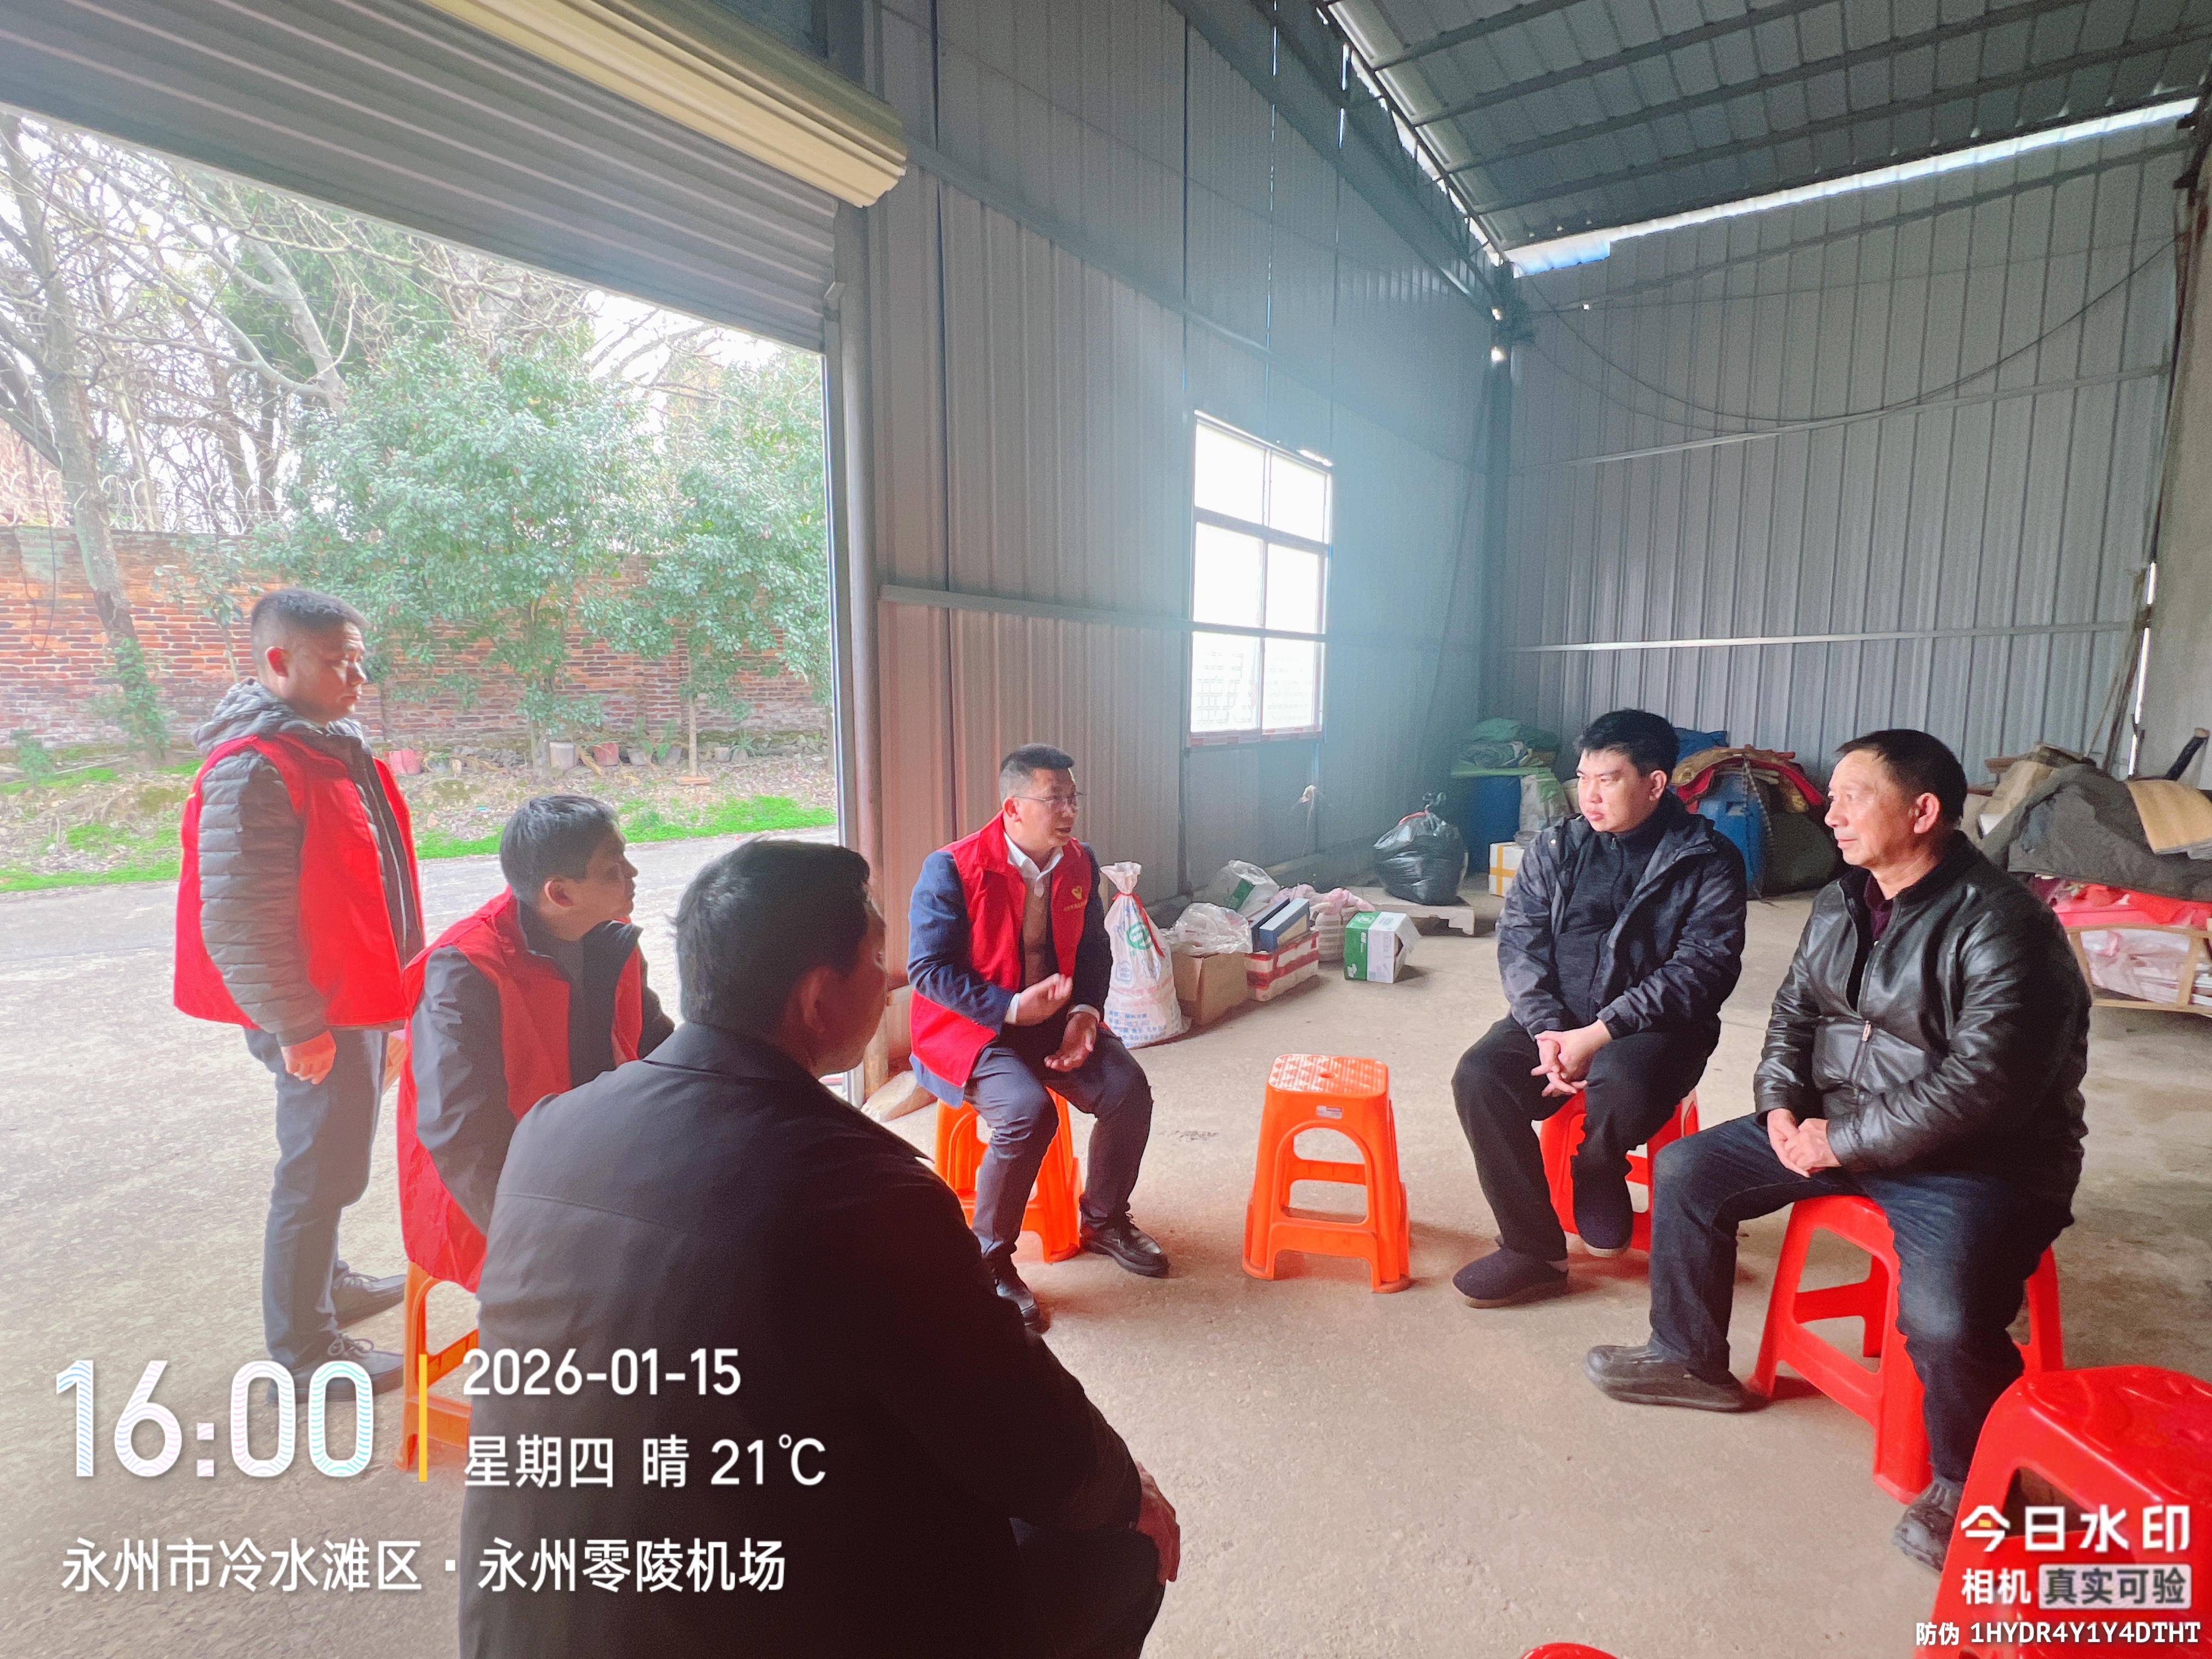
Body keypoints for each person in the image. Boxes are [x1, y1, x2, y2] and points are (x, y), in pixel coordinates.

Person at [460, 839, 1178, 1658]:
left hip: (518, 1627)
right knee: (1117, 1543)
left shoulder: (549, 1131)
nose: (887, 977)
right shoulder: (863, 1190)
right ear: (815, 1000)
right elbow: (1029, 1434)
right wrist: (1129, 1494)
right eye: (873, 958)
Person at [1582, 729, 2089, 1572]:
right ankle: (1687, 1359)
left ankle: (1980, 1486)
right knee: (1690, 1170)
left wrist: (1839, 1139)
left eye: (1855, 796)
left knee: (1945, 1316)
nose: (1831, 813)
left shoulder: (2007, 926)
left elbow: (1985, 1088)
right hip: (1837, 1126)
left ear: (1922, 812)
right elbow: (1794, 1017)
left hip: (1976, 1161)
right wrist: (1782, 1108)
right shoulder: (1842, 900)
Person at [173, 587, 422, 1398]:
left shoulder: (330, 747)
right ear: (279, 662)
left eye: (359, 660)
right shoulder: (253, 768)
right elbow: (237, 919)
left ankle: (331, 1285)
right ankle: (306, 1351)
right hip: (310, 1011)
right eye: (339, 662)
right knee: (316, 1172)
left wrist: (392, 1011)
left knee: (338, 1159)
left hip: (353, 999)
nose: (358, 677)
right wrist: (296, 1026)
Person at [1451, 709, 1748, 1307]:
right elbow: (1520, 940)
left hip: (1658, 1029)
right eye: (1583, 778)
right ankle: (1534, 1251)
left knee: (1621, 1076)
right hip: (1557, 1019)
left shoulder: (1707, 859)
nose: (1589, 795)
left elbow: (1701, 970)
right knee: (1480, 1076)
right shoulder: (1557, 846)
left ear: (1655, 784)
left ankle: (1597, 1164)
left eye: (1608, 780)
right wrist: (1547, 1028)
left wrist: (1602, 1032)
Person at [906, 743, 1166, 1333]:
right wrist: (1009, 1007)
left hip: (1052, 1019)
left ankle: (1104, 1220)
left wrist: (1086, 1014)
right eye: (1055, 799)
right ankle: (989, 1261)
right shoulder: (951, 868)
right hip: (973, 1028)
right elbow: (927, 970)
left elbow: (1094, 949)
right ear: (1013, 807)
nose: (1069, 811)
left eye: (1074, 798)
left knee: (1128, 1091)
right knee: (1028, 1114)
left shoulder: (1079, 861)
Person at [396, 794, 673, 1291]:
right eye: (613, 869)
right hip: (499, 1202)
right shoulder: (465, 969)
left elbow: (658, 1049)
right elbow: (463, 1140)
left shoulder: (609, 937)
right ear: (560, 894)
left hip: (590, 1158)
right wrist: (534, 1248)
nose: (632, 874)